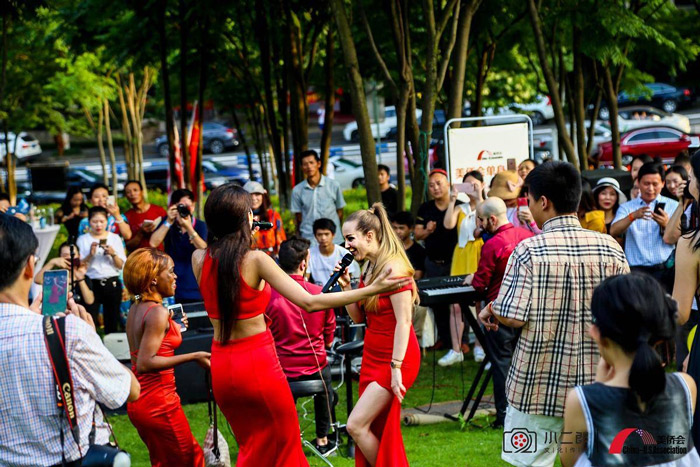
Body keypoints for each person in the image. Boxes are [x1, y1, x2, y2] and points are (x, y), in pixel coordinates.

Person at [191, 183, 409, 466]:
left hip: (222, 365)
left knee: (252, 445)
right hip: (256, 363)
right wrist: (372, 289)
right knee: (285, 445)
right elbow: (309, 302)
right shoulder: (255, 260)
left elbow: (222, 265)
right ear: (245, 219)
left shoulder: (199, 258)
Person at [478, 161, 629, 466]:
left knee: (531, 462)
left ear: (543, 202)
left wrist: (492, 309)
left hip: (537, 383)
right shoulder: (610, 248)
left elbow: (513, 315)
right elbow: (627, 312)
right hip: (598, 381)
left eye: (529, 199)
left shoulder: (529, 250)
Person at [0, 214, 139, 466]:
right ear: (30, 266)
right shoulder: (69, 332)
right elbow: (129, 390)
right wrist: (92, 338)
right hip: (69, 458)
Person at [562, 273, 699, 467]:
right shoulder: (685, 386)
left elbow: (570, 460)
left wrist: (599, 387)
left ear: (597, 333)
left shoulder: (581, 400)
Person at [338, 203, 420, 466]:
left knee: (356, 425)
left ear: (369, 236)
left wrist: (396, 367)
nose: (347, 245)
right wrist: (347, 288)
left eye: (351, 238)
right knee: (373, 427)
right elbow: (359, 318)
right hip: (373, 354)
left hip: (396, 356)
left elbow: (404, 321)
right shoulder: (369, 268)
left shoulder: (394, 268)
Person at [124, 248, 209, 467]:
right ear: (153, 279)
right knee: (191, 459)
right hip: (159, 403)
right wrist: (195, 355)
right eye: (170, 272)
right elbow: (145, 362)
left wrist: (173, 329)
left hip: (140, 401)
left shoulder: (136, 308)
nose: (175, 276)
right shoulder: (157, 312)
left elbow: (148, 346)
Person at [463, 197, 533, 427]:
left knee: (502, 364)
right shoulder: (527, 236)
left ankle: (504, 416)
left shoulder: (493, 244)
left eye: (481, 221)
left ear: (492, 219)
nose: (480, 225)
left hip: (499, 312)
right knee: (525, 363)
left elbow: (480, 285)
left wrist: (473, 279)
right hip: (527, 310)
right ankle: (527, 413)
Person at [266, 237, 337, 454]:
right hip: (316, 366)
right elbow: (329, 337)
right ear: (304, 264)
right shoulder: (318, 293)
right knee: (327, 392)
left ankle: (289, 438)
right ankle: (323, 439)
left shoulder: (268, 296)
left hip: (282, 369)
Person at [440, 170, 486, 366]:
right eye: (466, 184)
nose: (470, 188)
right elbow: (448, 225)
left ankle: (480, 346)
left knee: (480, 303)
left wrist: (480, 196)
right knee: (456, 304)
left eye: (474, 184)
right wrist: (452, 200)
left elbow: (487, 222)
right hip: (461, 256)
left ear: (482, 185)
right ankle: (456, 349)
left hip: (480, 254)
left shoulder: (486, 205)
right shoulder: (460, 208)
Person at [611, 162, 678, 287]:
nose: (650, 188)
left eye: (655, 184)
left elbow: (680, 238)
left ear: (663, 183)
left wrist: (666, 224)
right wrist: (632, 216)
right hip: (636, 271)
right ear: (638, 182)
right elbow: (613, 231)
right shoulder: (627, 207)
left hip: (665, 270)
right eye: (646, 183)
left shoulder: (673, 206)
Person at [415, 169, 460, 347]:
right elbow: (417, 235)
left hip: (455, 262)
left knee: (458, 304)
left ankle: (461, 341)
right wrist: (428, 231)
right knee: (437, 302)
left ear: (448, 184)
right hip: (433, 262)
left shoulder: (460, 205)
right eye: (431, 185)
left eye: (439, 183)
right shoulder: (425, 208)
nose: (435, 188)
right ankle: (443, 338)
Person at [149, 189, 207, 304]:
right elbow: (153, 243)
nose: (184, 209)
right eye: (181, 206)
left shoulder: (201, 225)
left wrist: (189, 227)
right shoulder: (167, 223)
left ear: (193, 206)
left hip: (195, 285)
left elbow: (204, 249)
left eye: (187, 206)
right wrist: (168, 221)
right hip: (172, 284)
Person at [77, 206, 127, 334]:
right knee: (90, 320)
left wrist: (113, 254)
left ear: (107, 221)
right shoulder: (83, 240)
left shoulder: (114, 238)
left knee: (112, 321)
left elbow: (120, 265)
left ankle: (111, 344)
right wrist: (90, 255)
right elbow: (79, 266)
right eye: (95, 221)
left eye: (101, 221)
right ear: (89, 222)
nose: (98, 225)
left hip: (112, 282)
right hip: (91, 283)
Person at [291, 149, 346, 244]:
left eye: (311, 162)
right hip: (309, 239)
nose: (309, 166)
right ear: (301, 167)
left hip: (333, 239)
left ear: (318, 164)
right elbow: (298, 217)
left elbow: (340, 212)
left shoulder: (333, 185)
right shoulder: (297, 190)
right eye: (305, 164)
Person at [35, 242, 94, 309]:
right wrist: (52, 262)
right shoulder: (55, 277)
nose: (69, 257)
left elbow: (89, 301)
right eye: (65, 255)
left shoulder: (85, 278)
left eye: (72, 255)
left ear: (79, 256)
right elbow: (37, 280)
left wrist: (80, 279)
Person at [307, 218, 360, 289]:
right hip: (317, 291)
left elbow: (347, 280)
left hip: (339, 291)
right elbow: (306, 279)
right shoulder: (309, 254)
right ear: (315, 236)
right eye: (319, 234)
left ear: (333, 235)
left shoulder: (344, 254)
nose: (323, 238)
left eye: (326, 234)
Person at [488, 170, 541, 234]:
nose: (506, 200)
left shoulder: (529, 209)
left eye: (509, 198)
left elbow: (542, 233)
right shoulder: (494, 210)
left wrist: (531, 221)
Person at [244, 180, 286, 257]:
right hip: (248, 258)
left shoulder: (273, 216)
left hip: (270, 258)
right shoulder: (241, 217)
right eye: (250, 195)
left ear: (263, 196)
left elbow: (281, 242)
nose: (253, 198)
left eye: (257, 194)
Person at [124, 180, 168, 253]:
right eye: (128, 192)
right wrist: (140, 233)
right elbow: (128, 246)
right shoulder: (126, 216)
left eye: (135, 190)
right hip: (139, 257)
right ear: (126, 196)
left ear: (142, 192)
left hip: (159, 255)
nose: (132, 194)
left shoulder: (159, 211)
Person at [390, 211, 425, 280]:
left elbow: (418, 276)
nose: (398, 231)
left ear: (411, 229)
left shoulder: (419, 251)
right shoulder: (388, 249)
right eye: (395, 228)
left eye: (401, 228)